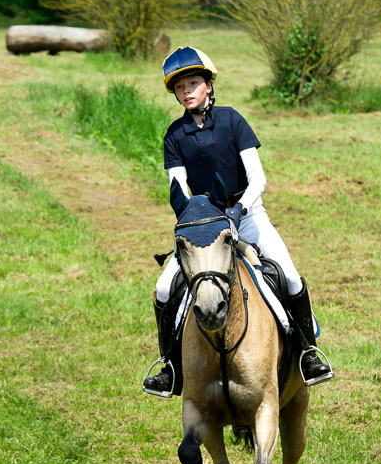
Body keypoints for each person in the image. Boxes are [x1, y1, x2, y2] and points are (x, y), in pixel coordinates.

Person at [143, 46, 333, 396]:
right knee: (163, 288)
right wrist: (193, 214)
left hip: (247, 215)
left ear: (209, 85)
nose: (187, 91)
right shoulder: (174, 135)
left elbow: (257, 178)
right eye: (181, 87)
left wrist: (239, 209)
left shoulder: (233, 120)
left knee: (288, 275)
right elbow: (178, 183)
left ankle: (308, 352)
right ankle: (169, 366)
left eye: (194, 83)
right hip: (202, 225)